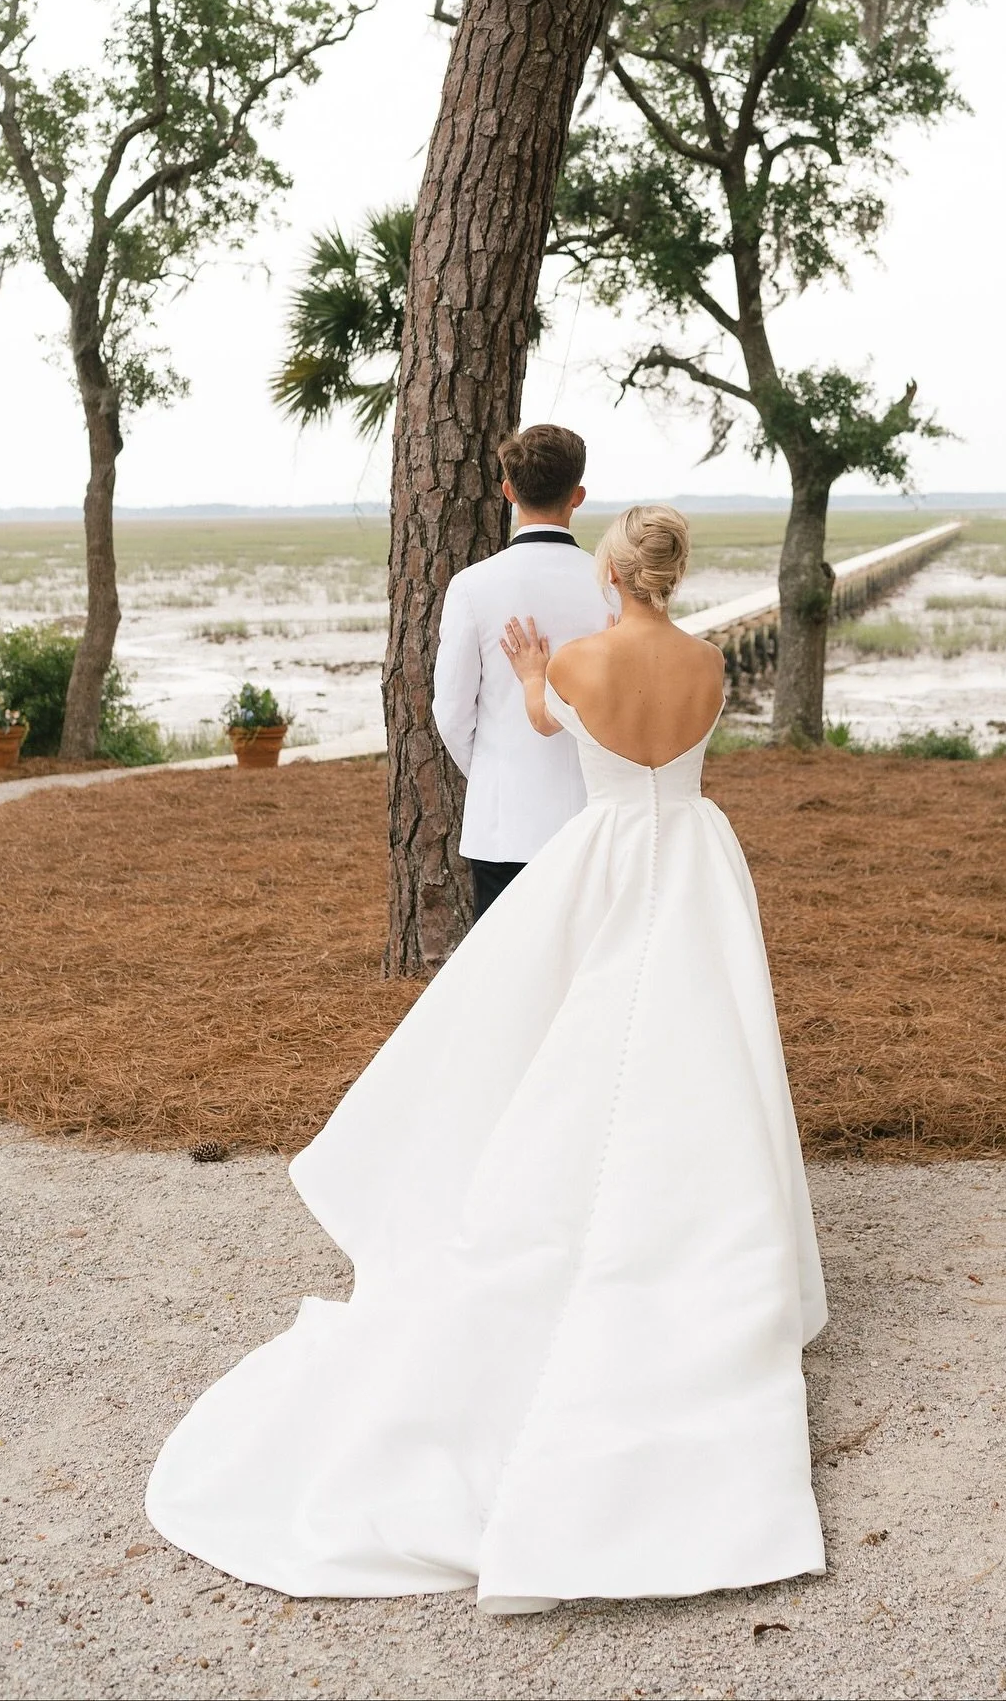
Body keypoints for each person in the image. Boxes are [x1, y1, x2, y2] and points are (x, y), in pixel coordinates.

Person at [145, 504, 826, 1610]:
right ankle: (707, 1236)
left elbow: (555, 730)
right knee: (701, 1051)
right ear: (675, 574)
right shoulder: (704, 661)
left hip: (603, 857)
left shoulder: (580, 659)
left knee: (578, 1045)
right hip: (694, 855)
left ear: (612, 571)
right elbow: (678, 755)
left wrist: (527, 672)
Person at [432, 423, 610, 920]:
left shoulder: (471, 587)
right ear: (577, 496)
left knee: (503, 975)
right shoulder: (610, 587)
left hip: (503, 821)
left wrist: (493, 771)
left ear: (508, 491)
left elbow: (450, 712)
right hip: (592, 817)